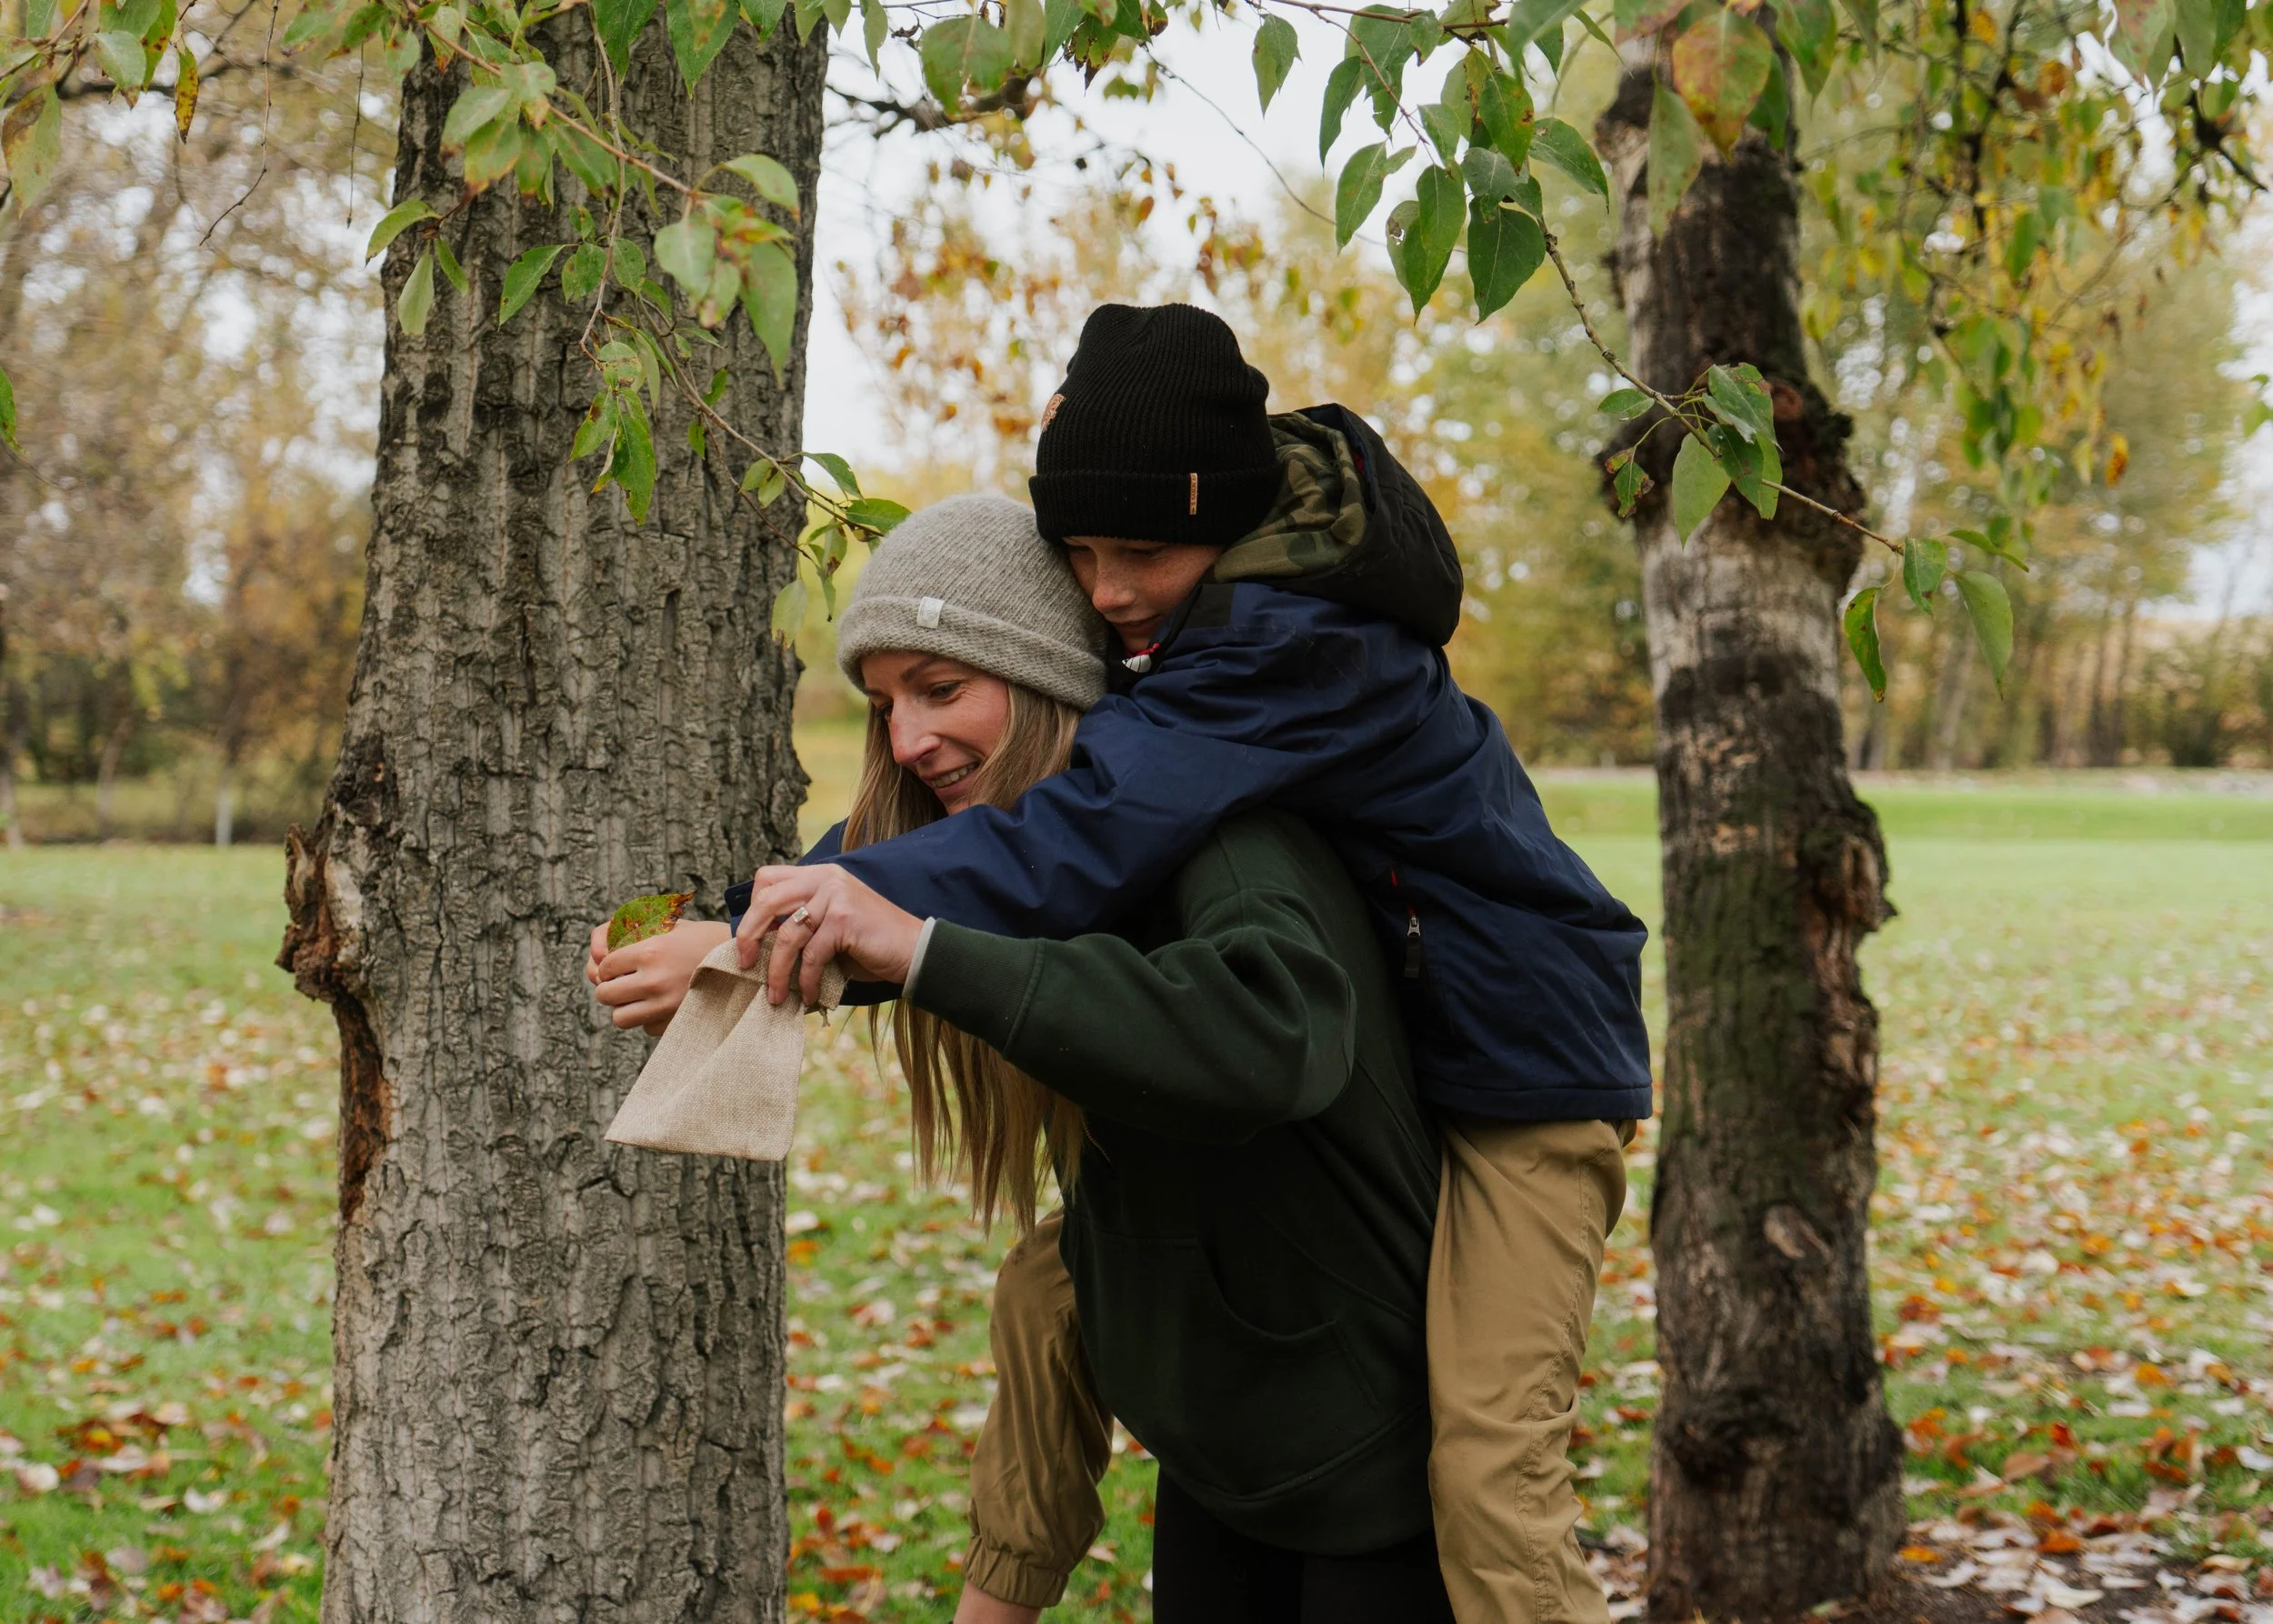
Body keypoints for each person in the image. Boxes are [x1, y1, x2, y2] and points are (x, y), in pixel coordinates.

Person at [736, 306, 1643, 1624]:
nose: (1107, 590)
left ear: (1227, 522)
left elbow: (1074, 827)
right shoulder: (1189, 651)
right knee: (1056, 1281)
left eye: (1143, 551)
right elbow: (972, 825)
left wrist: (866, 925)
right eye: (1082, 555)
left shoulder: (1283, 651)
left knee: (1492, 1455)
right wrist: (743, 917)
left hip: (1530, 1066)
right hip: (1429, 1039)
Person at [750, 494, 1457, 1621]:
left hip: (1374, 1451)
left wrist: (923, 950)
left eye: (941, 689)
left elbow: (1273, 1037)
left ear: (1046, 679)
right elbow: (866, 892)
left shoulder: (1227, 842)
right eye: (884, 703)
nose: (906, 739)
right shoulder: (1015, 862)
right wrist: (705, 934)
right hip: (1216, 1444)